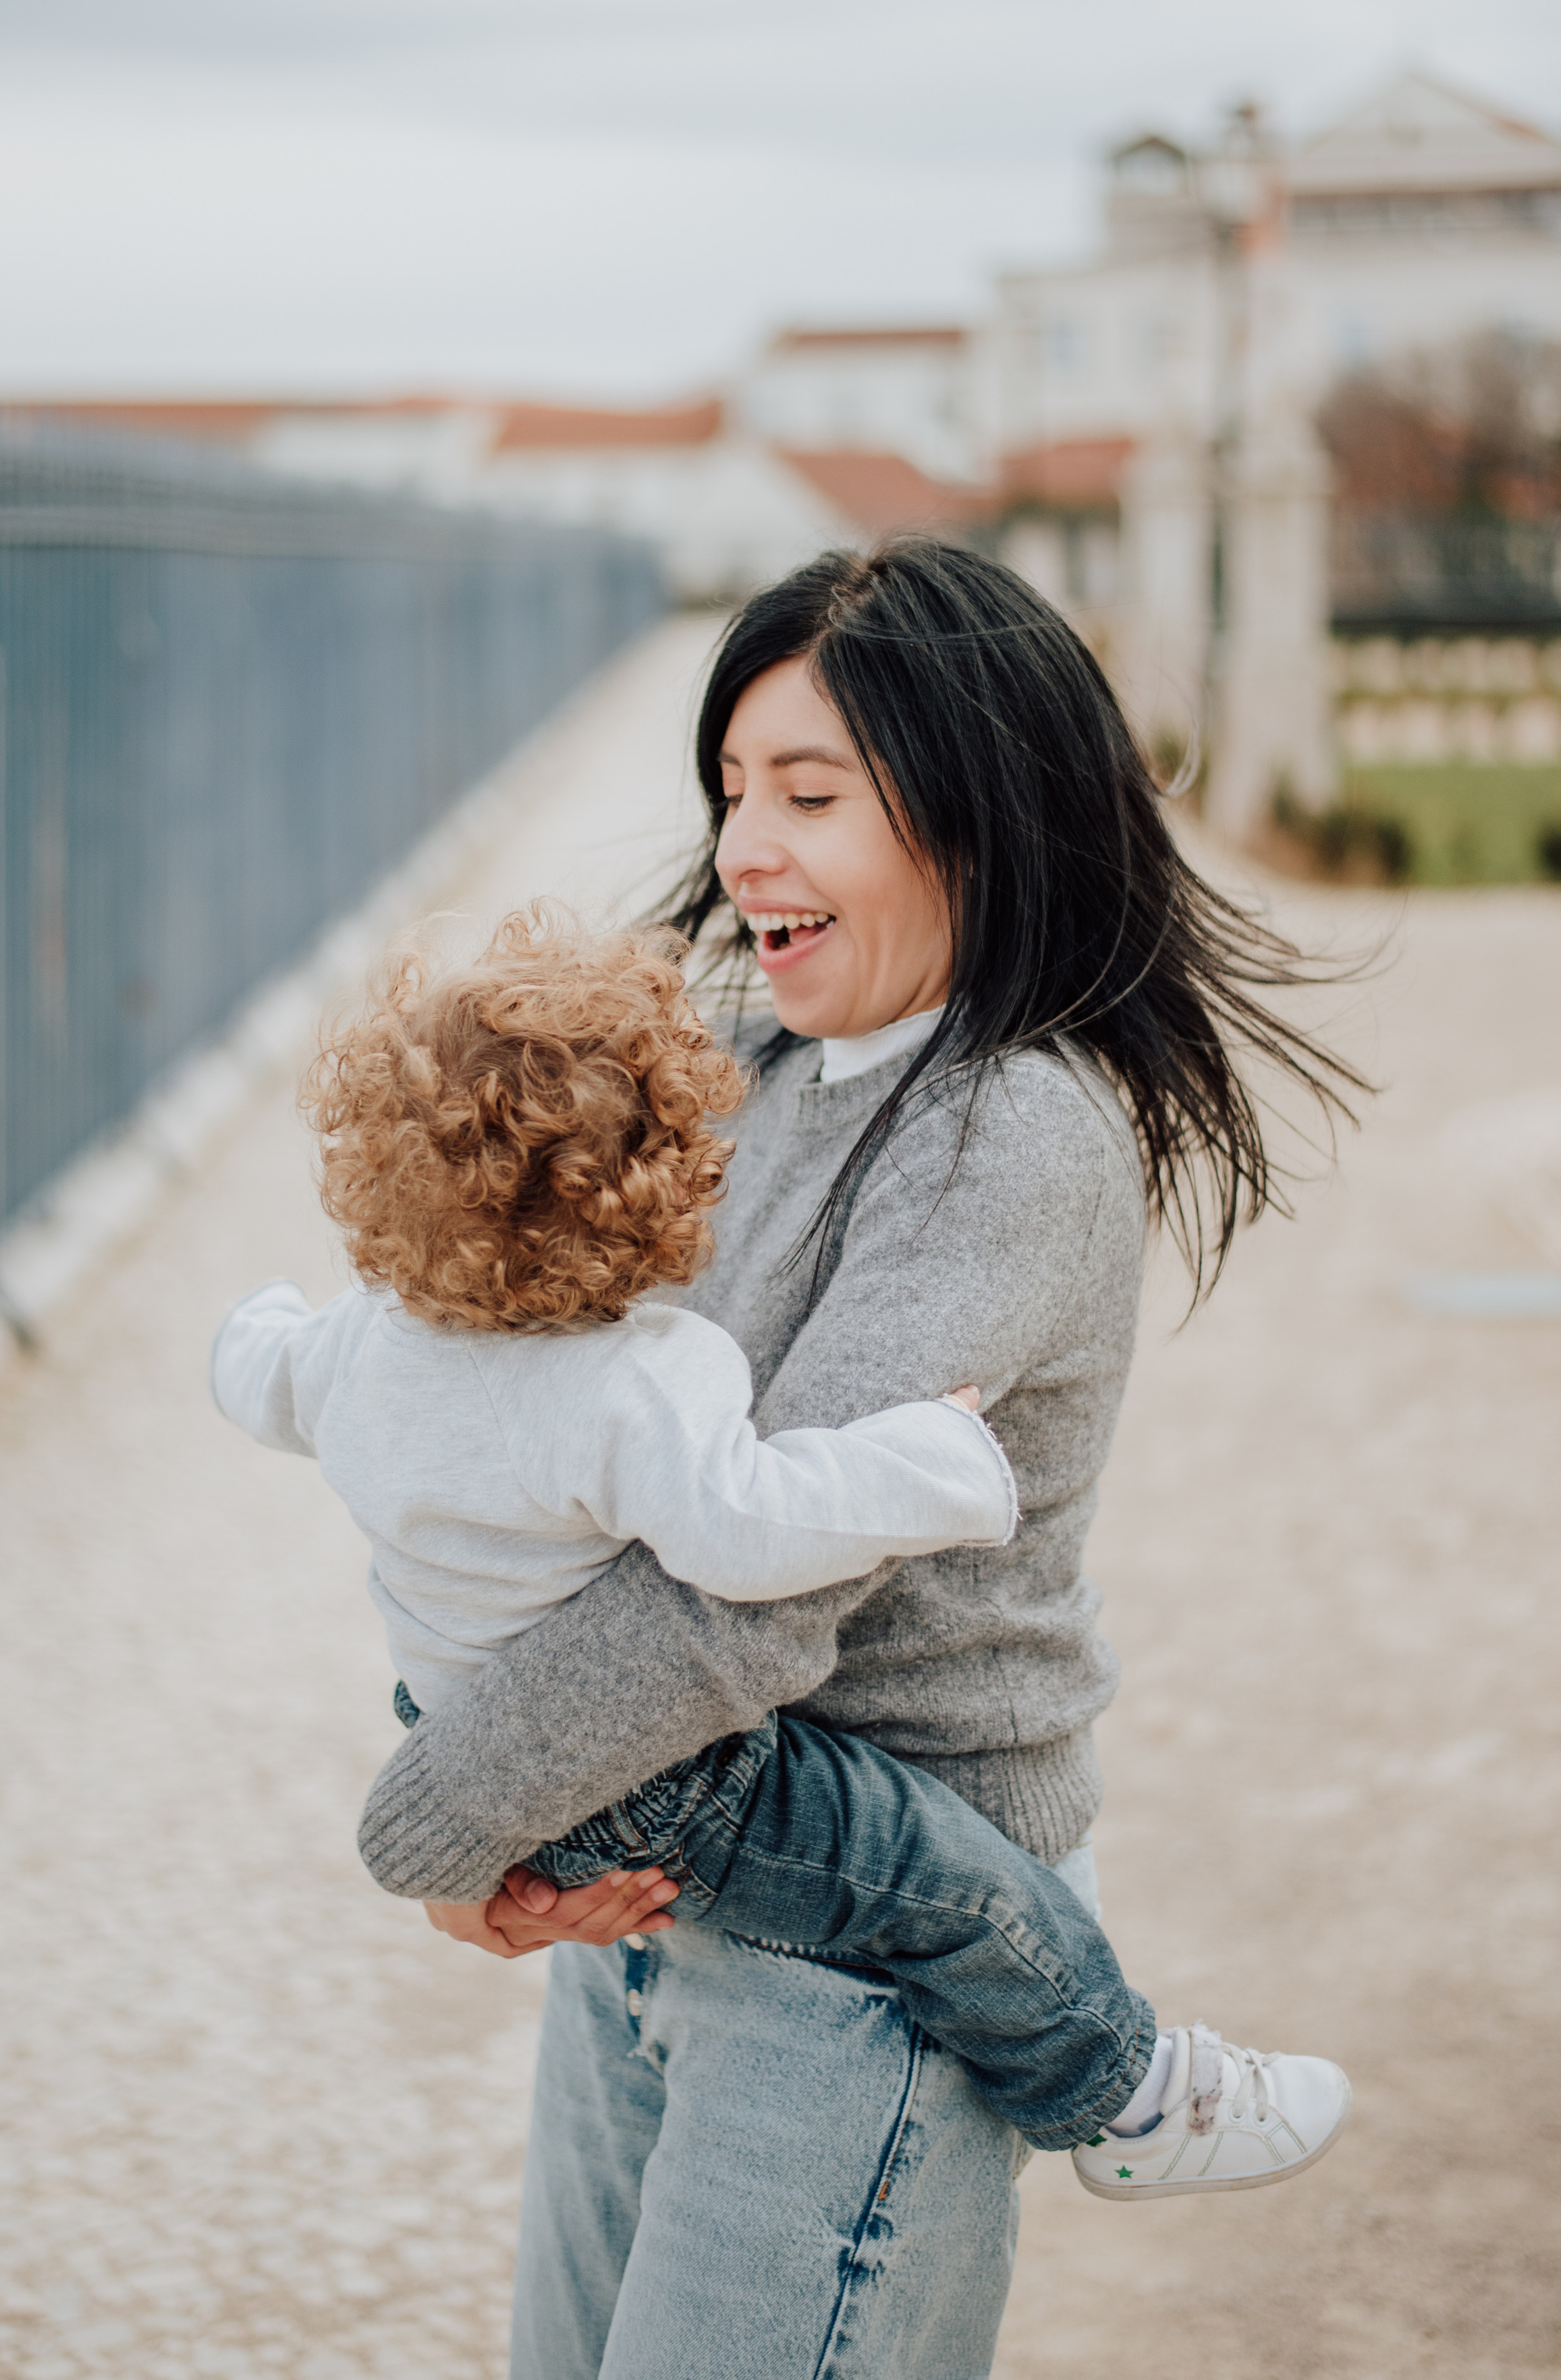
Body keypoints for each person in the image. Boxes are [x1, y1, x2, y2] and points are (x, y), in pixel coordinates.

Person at [350, 541, 1369, 2378]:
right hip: (646, 1920)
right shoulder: (740, 1074)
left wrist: (446, 1820)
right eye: (735, 790)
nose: (747, 847)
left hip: (863, 1981)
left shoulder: (1011, 1125)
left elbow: (753, 1601)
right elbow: (532, 1470)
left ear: (972, 812)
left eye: (809, 793)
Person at [212, 914, 1350, 2198]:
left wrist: (244, 1327)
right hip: (656, 1779)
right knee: (939, 1880)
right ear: (669, 1180)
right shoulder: (648, 1379)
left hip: (457, 1713)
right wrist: (935, 1462)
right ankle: (1130, 2096)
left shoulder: (361, 1343)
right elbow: (746, 1541)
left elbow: (259, 1375)